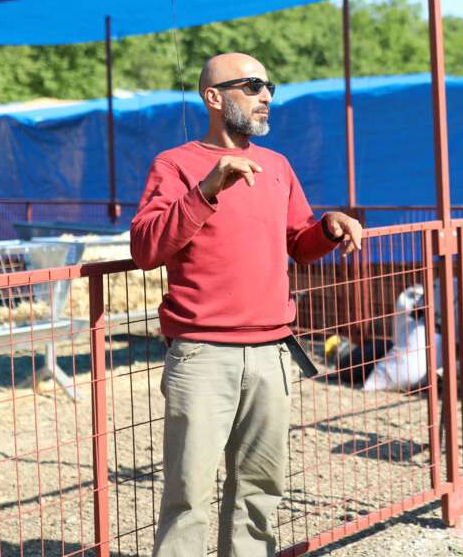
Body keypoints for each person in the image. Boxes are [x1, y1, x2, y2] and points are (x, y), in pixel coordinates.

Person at [131, 52, 362, 557]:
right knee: (188, 495)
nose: (266, 97)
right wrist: (207, 189)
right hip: (202, 354)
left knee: (260, 491)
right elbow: (146, 248)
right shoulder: (175, 164)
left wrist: (327, 228)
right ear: (213, 97)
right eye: (253, 85)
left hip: (272, 353)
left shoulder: (277, 166)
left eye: (269, 87)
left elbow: (299, 241)